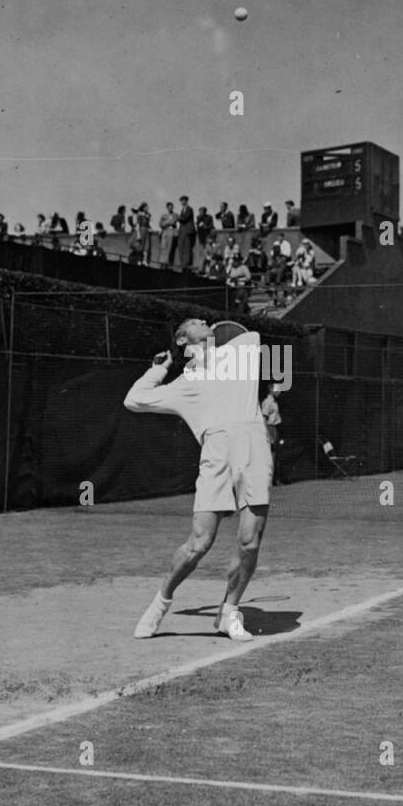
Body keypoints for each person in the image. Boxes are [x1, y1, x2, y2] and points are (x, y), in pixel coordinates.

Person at [123, 320, 273, 642]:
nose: (203, 321)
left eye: (205, 322)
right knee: (199, 543)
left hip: (254, 448)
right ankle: (160, 603)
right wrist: (160, 369)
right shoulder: (184, 384)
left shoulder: (240, 352)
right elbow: (134, 399)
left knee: (250, 541)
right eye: (194, 322)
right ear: (180, 338)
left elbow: (257, 341)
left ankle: (229, 612)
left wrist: (272, 393)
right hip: (216, 454)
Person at [262, 386, 284, 485]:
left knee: (276, 456)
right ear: (271, 389)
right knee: (271, 456)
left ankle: (275, 480)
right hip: (270, 429)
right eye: (277, 389)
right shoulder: (268, 402)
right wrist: (269, 435)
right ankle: (269, 481)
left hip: (275, 429)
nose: (279, 392)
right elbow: (264, 420)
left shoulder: (274, 401)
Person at [176, 196, 196, 271]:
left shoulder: (189, 209)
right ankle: (183, 264)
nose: (182, 202)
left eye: (183, 201)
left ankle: (186, 264)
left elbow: (185, 218)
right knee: (182, 247)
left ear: (186, 201)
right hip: (182, 231)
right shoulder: (182, 210)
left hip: (187, 231)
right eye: (181, 201)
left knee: (187, 248)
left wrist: (177, 218)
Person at [158, 202, 178, 266]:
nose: (170, 208)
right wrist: (167, 222)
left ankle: (166, 263)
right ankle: (162, 262)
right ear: (167, 208)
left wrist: (165, 222)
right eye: (169, 207)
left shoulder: (175, 214)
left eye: (171, 207)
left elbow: (173, 222)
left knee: (169, 248)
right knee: (163, 247)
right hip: (164, 231)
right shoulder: (164, 215)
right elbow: (160, 224)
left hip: (171, 231)